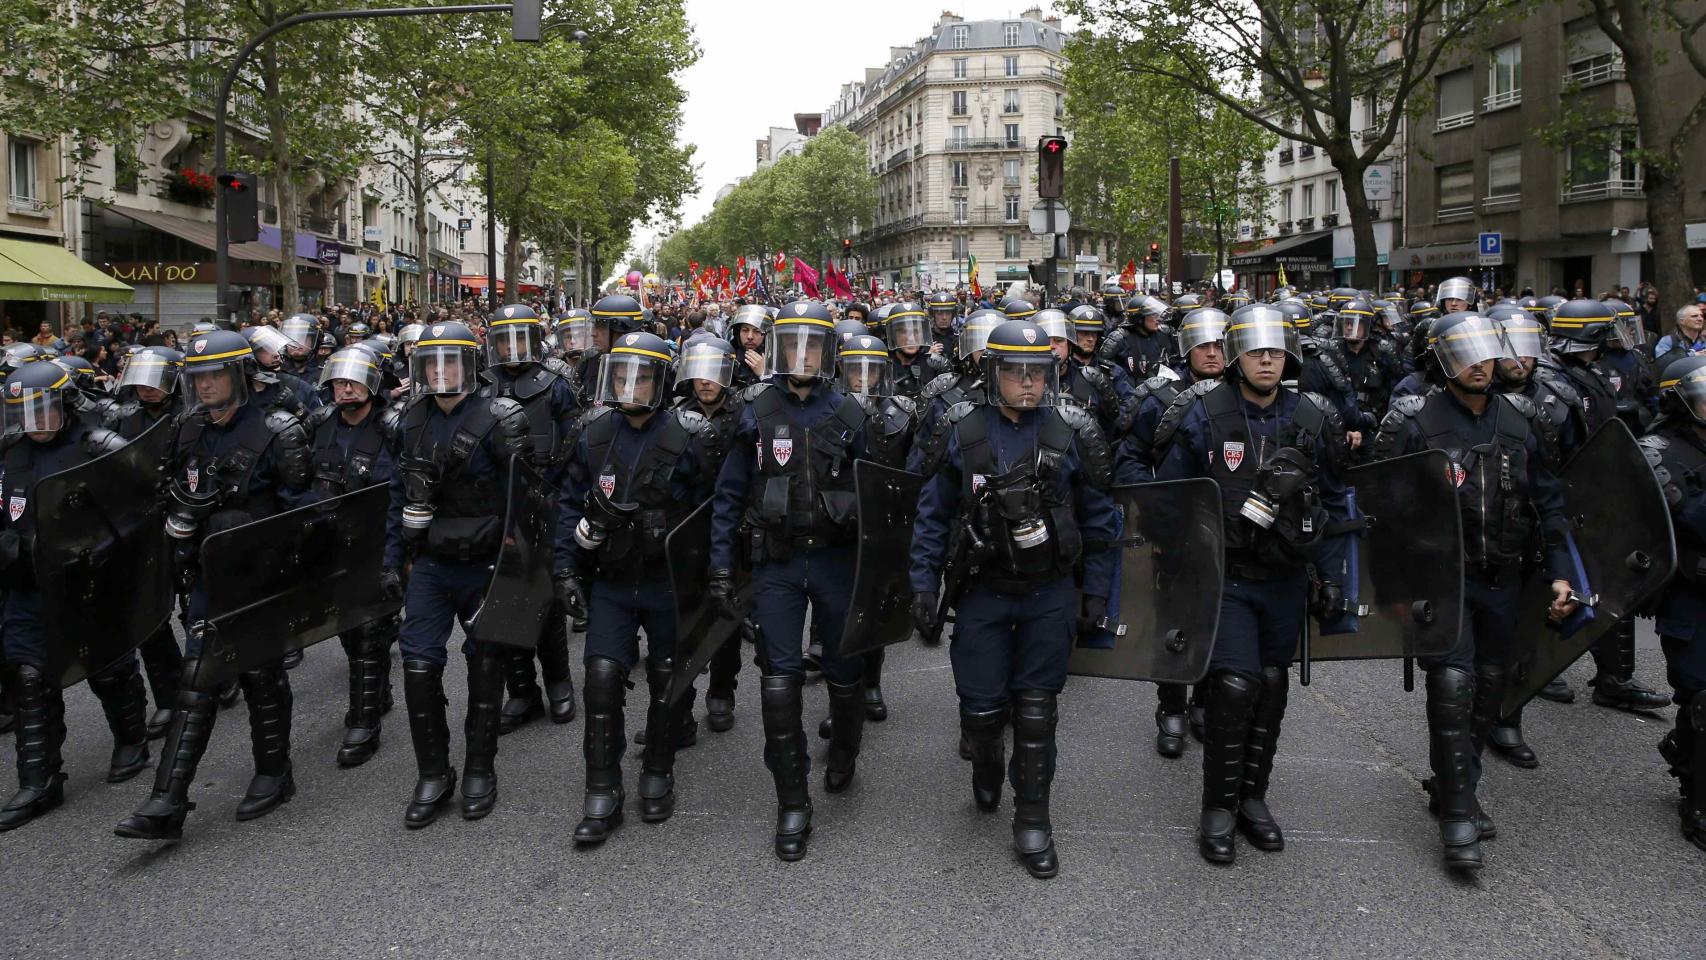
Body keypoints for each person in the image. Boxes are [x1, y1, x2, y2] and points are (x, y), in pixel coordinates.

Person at [909, 318, 1118, 879]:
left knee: (1036, 711)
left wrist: (1097, 592)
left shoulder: (1071, 430)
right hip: (982, 594)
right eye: (1017, 373)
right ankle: (985, 762)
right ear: (993, 372)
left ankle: (1033, 819)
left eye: (1038, 373)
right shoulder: (962, 430)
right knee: (981, 711)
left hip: (1049, 593)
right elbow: (931, 515)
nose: (1028, 384)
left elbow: (1101, 521)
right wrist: (924, 584)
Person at [1373, 311, 1579, 871]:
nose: (1482, 364)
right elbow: (1385, 510)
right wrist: (1392, 585)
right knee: (1453, 682)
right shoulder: (1414, 423)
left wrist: (1561, 571)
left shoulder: (1521, 419)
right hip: (1442, 580)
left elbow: (1550, 502)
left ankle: (1451, 783)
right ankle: (1459, 814)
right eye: (1467, 354)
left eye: (1488, 352)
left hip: (1504, 577)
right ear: (1442, 360)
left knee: (1491, 685)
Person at [1156, 304, 1351, 866]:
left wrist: (1333, 573)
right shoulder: (1201, 413)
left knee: (1270, 685)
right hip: (1228, 579)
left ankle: (1253, 798)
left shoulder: (1312, 416)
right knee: (1234, 686)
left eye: (1276, 350)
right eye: (1256, 350)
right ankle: (1217, 806)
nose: (1267, 359)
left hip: (1286, 577)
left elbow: (1339, 501)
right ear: (1237, 354)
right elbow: (1170, 497)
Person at [114, 329, 310, 840]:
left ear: (240, 375)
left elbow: (306, 513)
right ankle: (167, 801)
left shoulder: (279, 430)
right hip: (206, 573)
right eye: (197, 376)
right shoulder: (186, 428)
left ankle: (274, 772)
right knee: (196, 680)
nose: (205, 386)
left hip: (260, 574)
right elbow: (170, 490)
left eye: (215, 375)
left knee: (261, 676)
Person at [706, 300, 868, 861]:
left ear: (827, 351)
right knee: (779, 679)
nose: (802, 354)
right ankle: (792, 799)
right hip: (775, 562)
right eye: (792, 343)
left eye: (812, 344)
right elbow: (729, 495)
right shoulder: (753, 410)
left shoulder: (850, 413)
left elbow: (880, 497)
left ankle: (845, 745)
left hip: (835, 561)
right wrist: (722, 566)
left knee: (845, 670)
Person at [558, 331, 710, 844]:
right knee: (601, 675)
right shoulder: (594, 433)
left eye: (641, 376)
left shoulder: (690, 435)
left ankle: (657, 772)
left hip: (667, 581)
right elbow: (567, 503)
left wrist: (708, 576)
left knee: (668, 678)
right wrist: (565, 569)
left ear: (662, 380)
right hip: (614, 578)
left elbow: (713, 514)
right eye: (621, 375)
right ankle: (602, 789)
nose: (629, 385)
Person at [382, 321, 532, 828]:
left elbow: (524, 501)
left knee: (485, 663)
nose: (441, 371)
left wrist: (520, 568)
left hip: (485, 561)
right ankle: (433, 773)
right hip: (431, 562)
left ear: (469, 365)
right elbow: (396, 497)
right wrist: (389, 560)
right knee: (419, 665)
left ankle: (479, 769)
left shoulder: (500, 417)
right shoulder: (409, 420)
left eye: (450, 361)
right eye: (432, 362)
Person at [0, 362, 151, 830]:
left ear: (64, 405)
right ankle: (39, 780)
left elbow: (138, 508)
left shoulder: (97, 446)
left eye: (41, 409)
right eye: (23, 411)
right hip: (27, 585)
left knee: (106, 668)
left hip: (87, 581)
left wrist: (95, 550)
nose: (34, 420)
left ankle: (131, 738)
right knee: (28, 675)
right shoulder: (8, 455)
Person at [484, 304, 582, 735]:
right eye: (502, 338)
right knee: (502, 599)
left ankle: (558, 682)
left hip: (544, 500)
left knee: (545, 600)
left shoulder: (555, 385)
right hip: (496, 505)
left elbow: (577, 440)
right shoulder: (481, 385)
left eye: (516, 336)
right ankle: (521, 690)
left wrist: (559, 491)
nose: (510, 346)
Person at [305, 347, 400, 767]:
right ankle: (377, 692)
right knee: (348, 629)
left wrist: (398, 558)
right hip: (332, 543)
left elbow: (403, 495)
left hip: (378, 541)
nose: (344, 389)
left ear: (373, 384)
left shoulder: (392, 427)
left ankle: (364, 722)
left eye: (353, 382)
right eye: (339, 382)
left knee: (369, 630)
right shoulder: (320, 424)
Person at [1638, 353, 1706, 852]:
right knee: (1701, 697)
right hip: (1691, 596)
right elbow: (1695, 520)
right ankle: (1698, 799)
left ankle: (1685, 749)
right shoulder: (1657, 450)